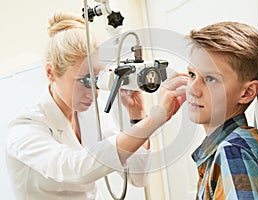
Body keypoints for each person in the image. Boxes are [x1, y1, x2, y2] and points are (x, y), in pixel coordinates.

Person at [5, 11, 187, 200]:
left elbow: (136, 176)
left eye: (96, 79)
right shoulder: (25, 128)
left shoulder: (93, 110)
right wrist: (154, 120)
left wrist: (137, 114)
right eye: (83, 80)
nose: (94, 91)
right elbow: (75, 168)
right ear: (51, 73)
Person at [176, 22, 258, 199]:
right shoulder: (229, 147)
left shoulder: (233, 151)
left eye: (210, 79)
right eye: (192, 74)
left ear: (247, 93)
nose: (192, 89)